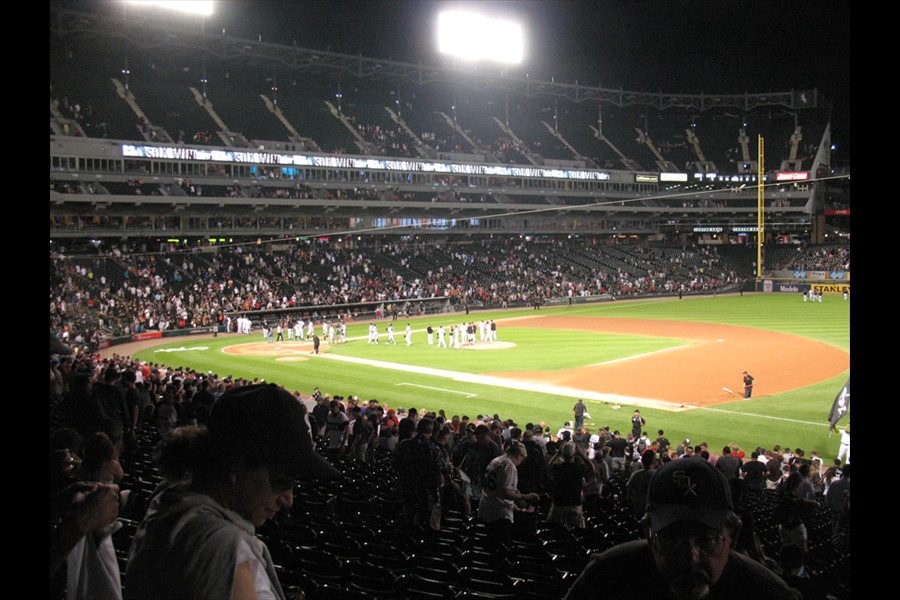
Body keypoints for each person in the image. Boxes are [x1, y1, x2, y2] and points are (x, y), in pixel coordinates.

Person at [126, 383, 338, 600]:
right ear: (235, 466)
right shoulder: (218, 549)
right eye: (280, 481)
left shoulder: (173, 503)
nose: (288, 500)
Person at [564, 457, 800, 599]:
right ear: (647, 533)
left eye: (707, 540)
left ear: (733, 535)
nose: (690, 558)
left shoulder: (769, 594)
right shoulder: (604, 579)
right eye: (670, 538)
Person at [478, 441, 540, 551]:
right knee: (501, 548)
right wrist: (525, 497)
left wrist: (516, 508)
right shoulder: (509, 466)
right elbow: (506, 492)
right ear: (518, 455)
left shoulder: (497, 460)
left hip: (486, 506)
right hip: (499, 514)